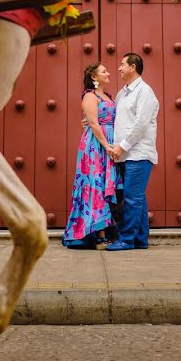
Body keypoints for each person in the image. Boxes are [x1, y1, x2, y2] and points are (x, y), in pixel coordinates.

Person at [63, 62, 121, 249]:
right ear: (94, 77)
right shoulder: (90, 96)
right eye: (104, 71)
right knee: (95, 185)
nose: (108, 73)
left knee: (104, 185)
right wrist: (107, 146)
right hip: (95, 146)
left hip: (108, 143)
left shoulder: (108, 97)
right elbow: (94, 124)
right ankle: (98, 234)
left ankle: (105, 229)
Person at [106, 53, 159, 251]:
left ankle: (127, 239)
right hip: (124, 155)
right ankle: (140, 239)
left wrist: (122, 146)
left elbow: (140, 124)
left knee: (132, 197)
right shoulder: (122, 94)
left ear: (133, 66)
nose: (118, 68)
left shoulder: (145, 92)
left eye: (122, 65)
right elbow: (115, 120)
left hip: (138, 154)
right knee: (137, 197)